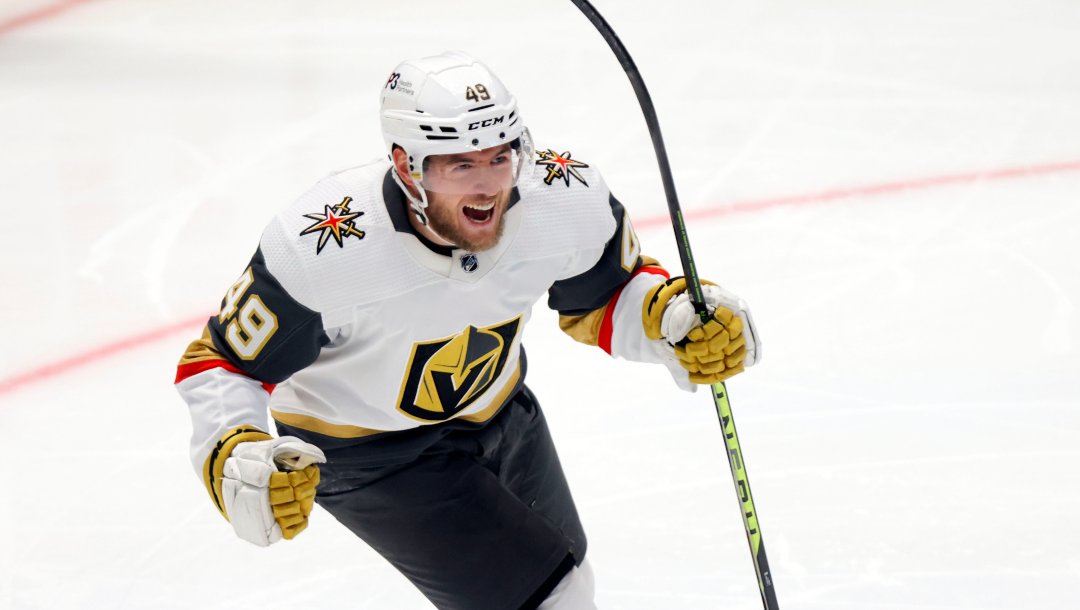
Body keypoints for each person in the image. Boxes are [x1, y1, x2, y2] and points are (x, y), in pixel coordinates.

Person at [174, 50, 759, 610]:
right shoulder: (326, 249)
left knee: (569, 573)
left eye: (498, 158)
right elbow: (222, 361)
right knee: (551, 599)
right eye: (460, 165)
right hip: (377, 459)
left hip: (503, 413)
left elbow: (606, 296)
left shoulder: (562, 199)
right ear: (407, 165)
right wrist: (234, 448)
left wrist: (673, 318)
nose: (487, 187)